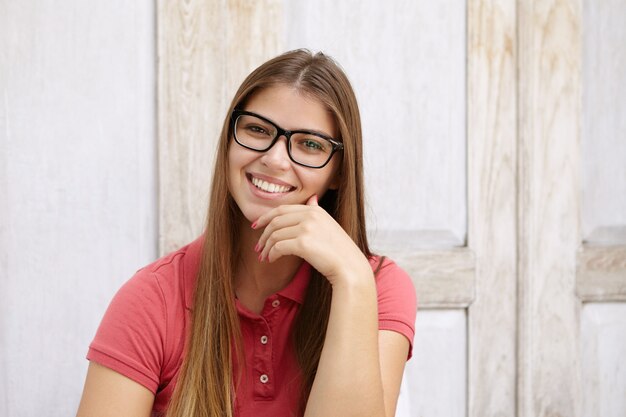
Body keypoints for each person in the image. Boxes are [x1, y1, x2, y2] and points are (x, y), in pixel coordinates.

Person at [76, 49, 417, 417]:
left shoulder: (377, 286)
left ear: (338, 172)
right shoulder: (153, 298)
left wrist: (352, 280)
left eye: (310, 144)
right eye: (257, 129)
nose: (274, 158)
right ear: (229, 140)